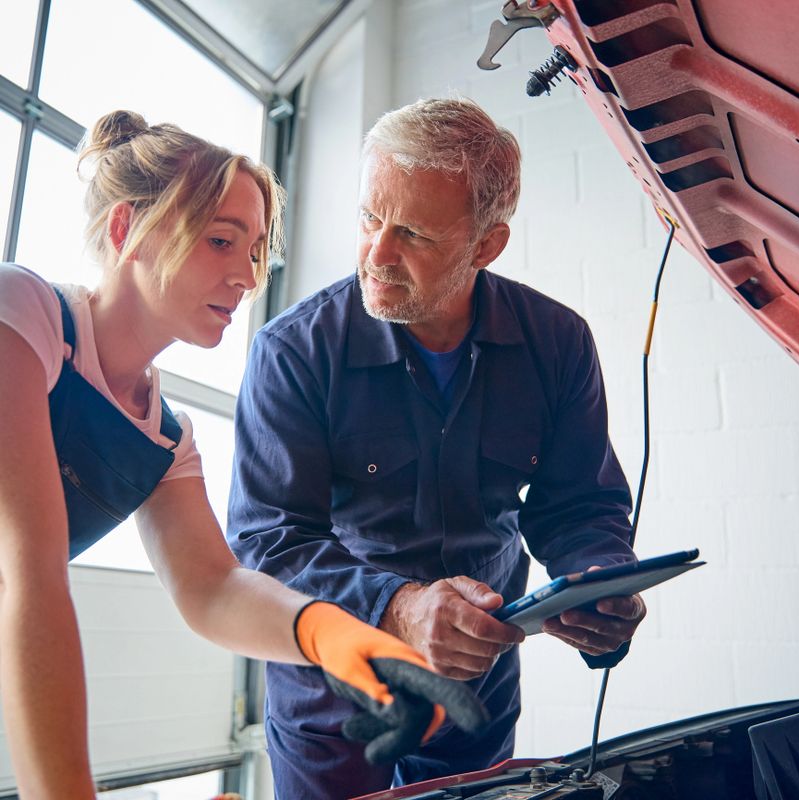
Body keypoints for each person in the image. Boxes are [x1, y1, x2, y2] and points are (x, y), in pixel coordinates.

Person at [0, 110, 487, 800]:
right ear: (124, 230)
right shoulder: (21, 313)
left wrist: (339, 640)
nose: (247, 276)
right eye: (221, 241)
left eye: (256, 250)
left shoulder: (164, 438)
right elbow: (31, 575)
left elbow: (214, 588)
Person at [227, 97, 648, 798]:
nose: (376, 255)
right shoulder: (293, 352)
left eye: (413, 234)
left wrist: (599, 578)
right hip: (334, 706)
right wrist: (399, 606)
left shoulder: (558, 343)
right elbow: (269, 542)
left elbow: (580, 503)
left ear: (487, 244)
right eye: (368, 218)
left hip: (473, 702)